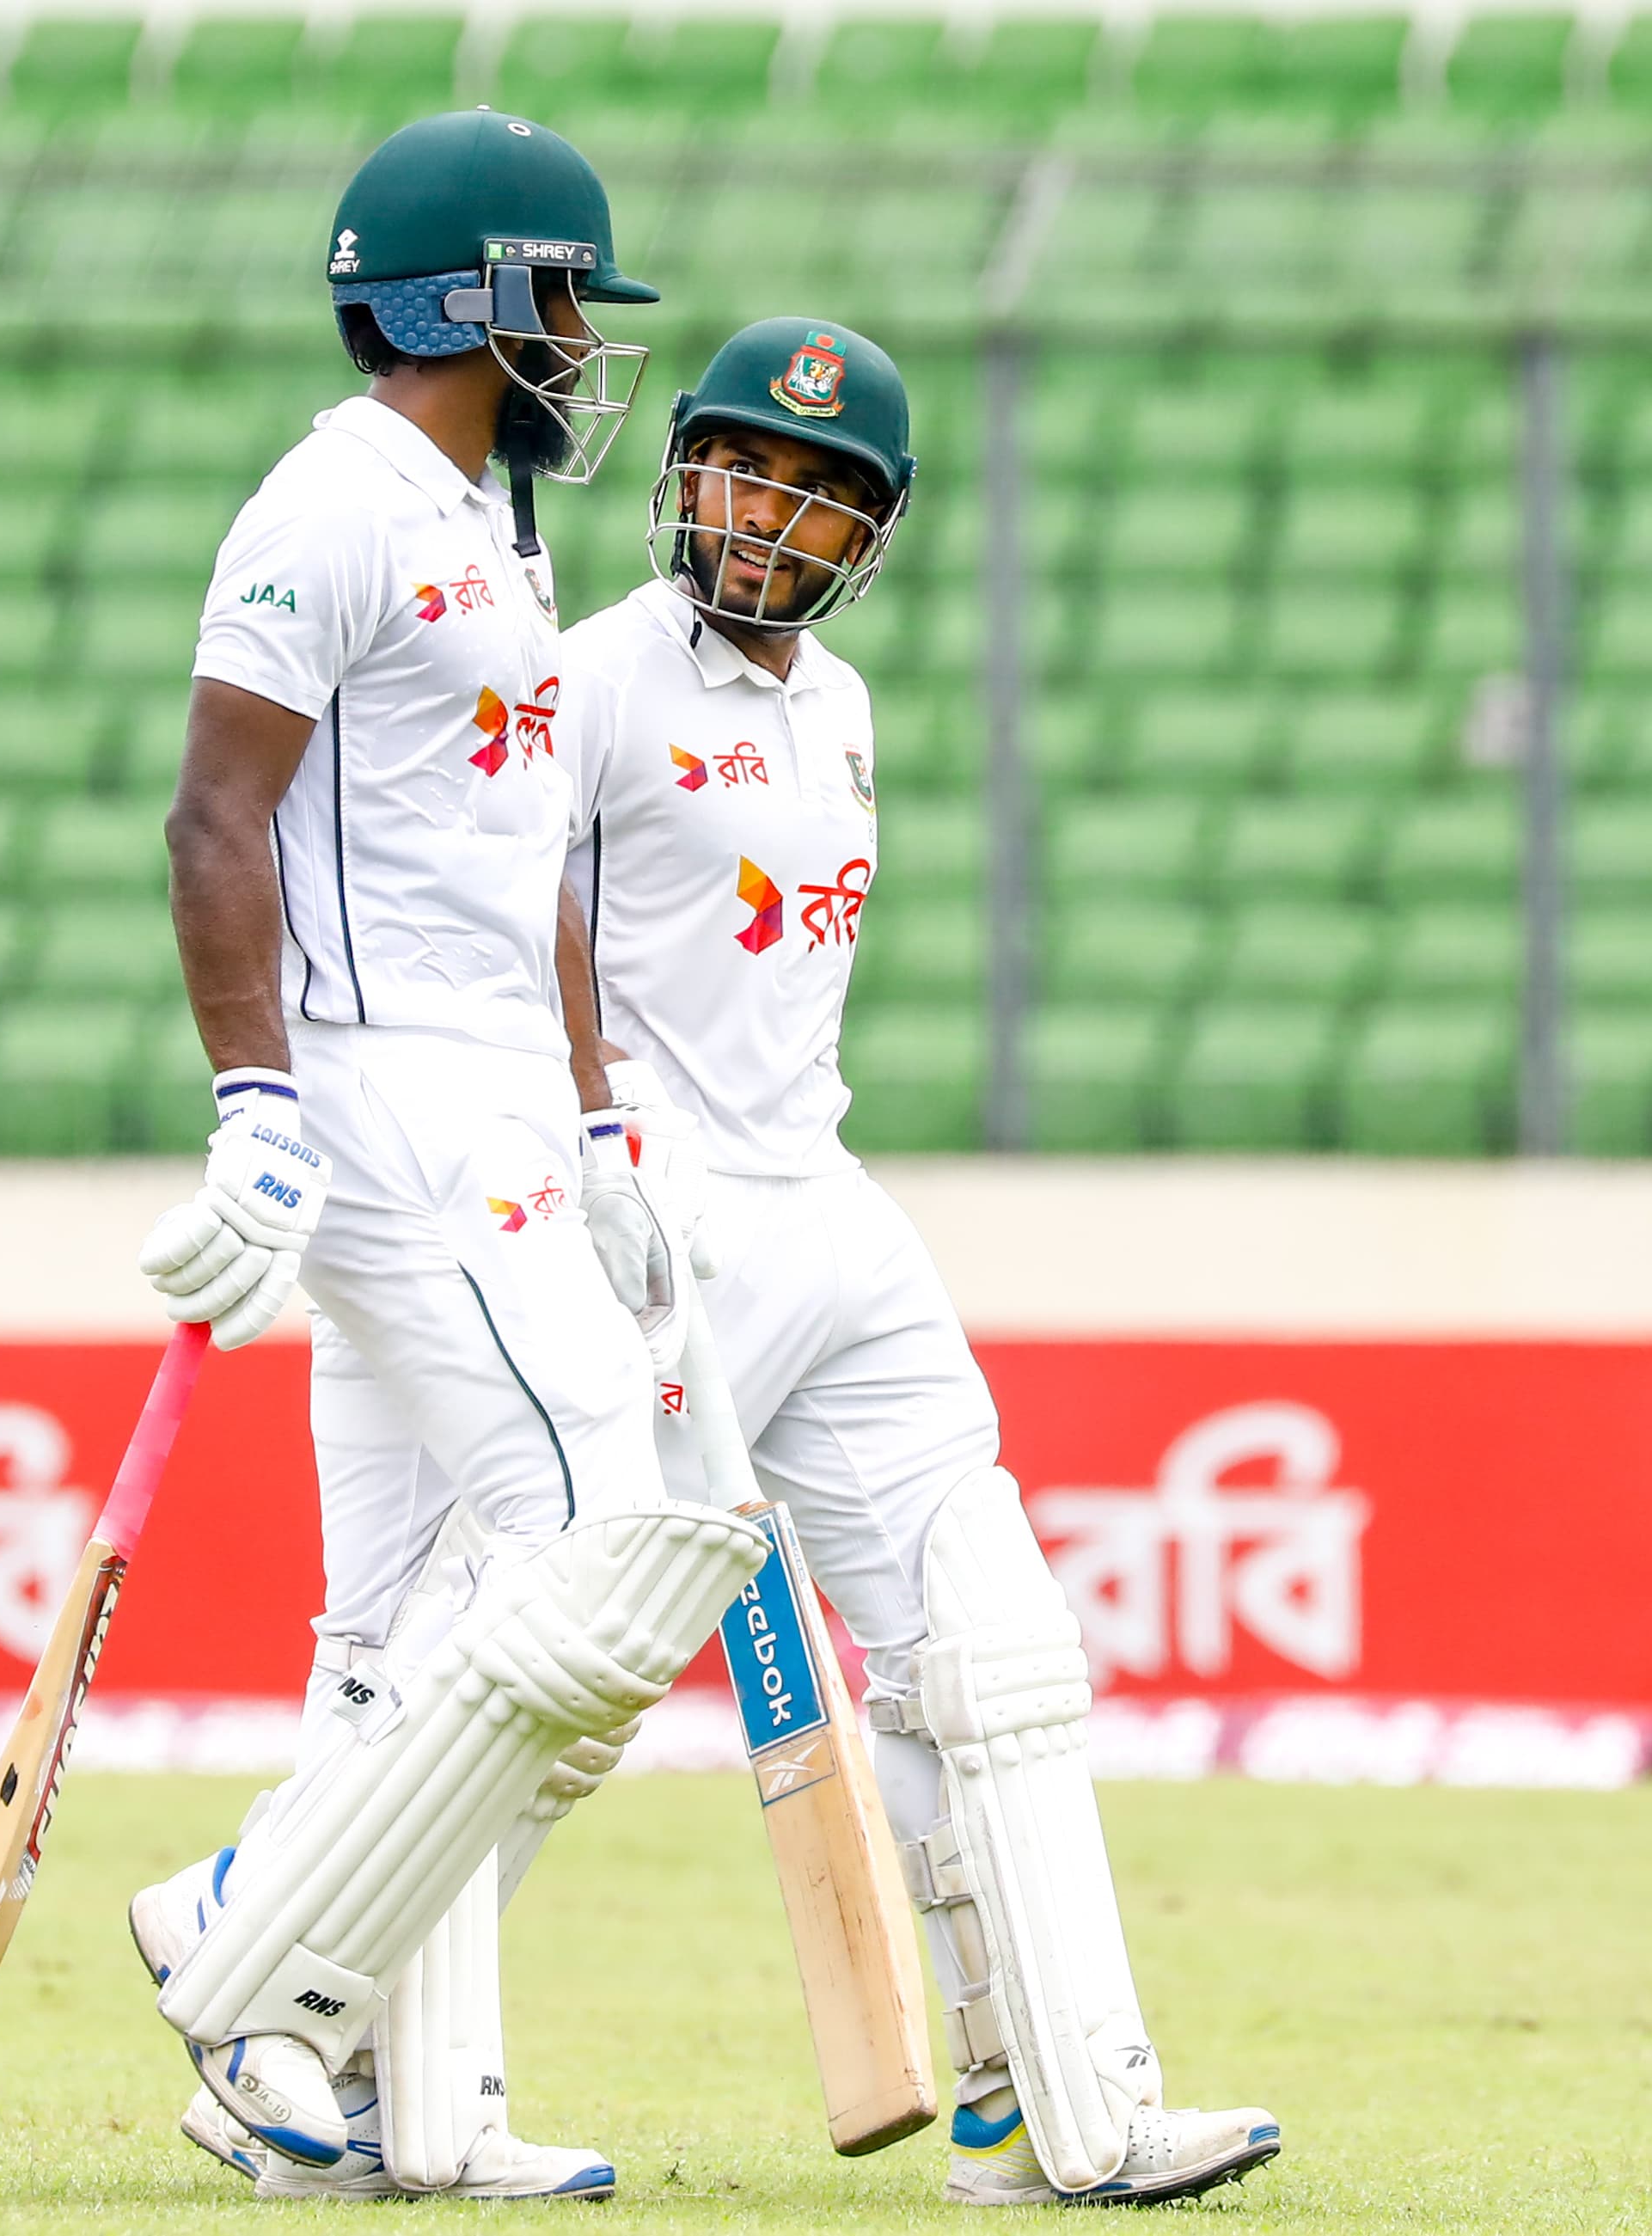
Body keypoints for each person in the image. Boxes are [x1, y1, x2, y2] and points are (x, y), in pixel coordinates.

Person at [551, 315, 1285, 2208]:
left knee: (994, 1646)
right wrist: (587, 1126)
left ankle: (1054, 2107)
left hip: (821, 1193)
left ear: (867, 531)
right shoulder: (594, 679)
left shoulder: (847, 708)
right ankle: (277, 1974)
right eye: (742, 464)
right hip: (652, 1203)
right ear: (683, 472)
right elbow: (513, 905)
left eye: (818, 490)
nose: (769, 511)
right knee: (553, 1674)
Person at [121, 108, 768, 2203]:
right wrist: (252, 1103)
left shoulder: (491, 526)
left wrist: (599, 1122)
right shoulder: (325, 504)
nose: (586, 341)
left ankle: (400, 2098)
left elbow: (538, 862)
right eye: (565, 298)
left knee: (398, 1626)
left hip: (499, 1098)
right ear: (473, 296)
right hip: (385, 1093)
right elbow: (216, 820)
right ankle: (252, 1941)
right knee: (606, 1530)